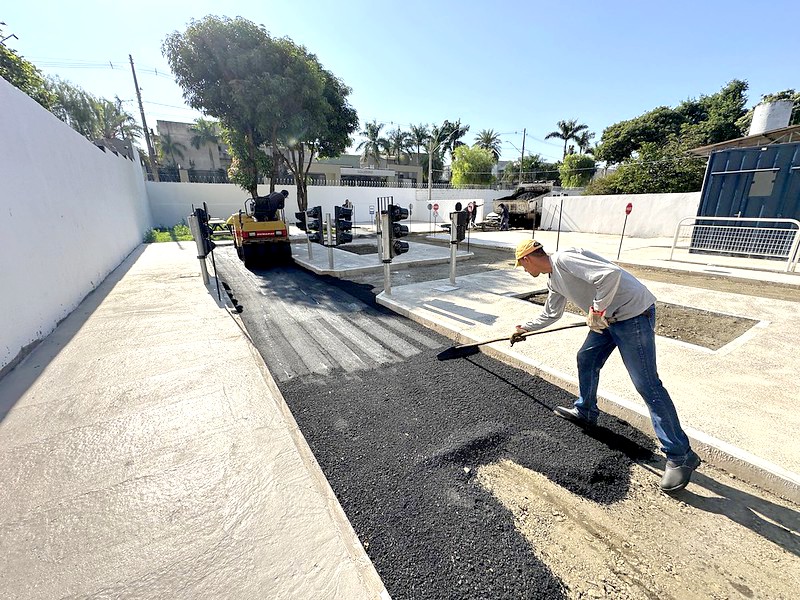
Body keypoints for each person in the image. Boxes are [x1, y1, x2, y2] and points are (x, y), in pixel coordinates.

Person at [510, 239, 700, 493]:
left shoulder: (564, 258)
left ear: (527, 258)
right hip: (608, 321)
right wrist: (524, 328)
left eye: (522, 265)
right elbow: (552, 314)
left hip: (632, 316)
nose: (524, 270)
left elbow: (609, 274)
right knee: (586, 358)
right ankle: (586, 410)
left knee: (647, 384)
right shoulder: (554, 279)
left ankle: (680, 454)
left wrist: (597, 310)